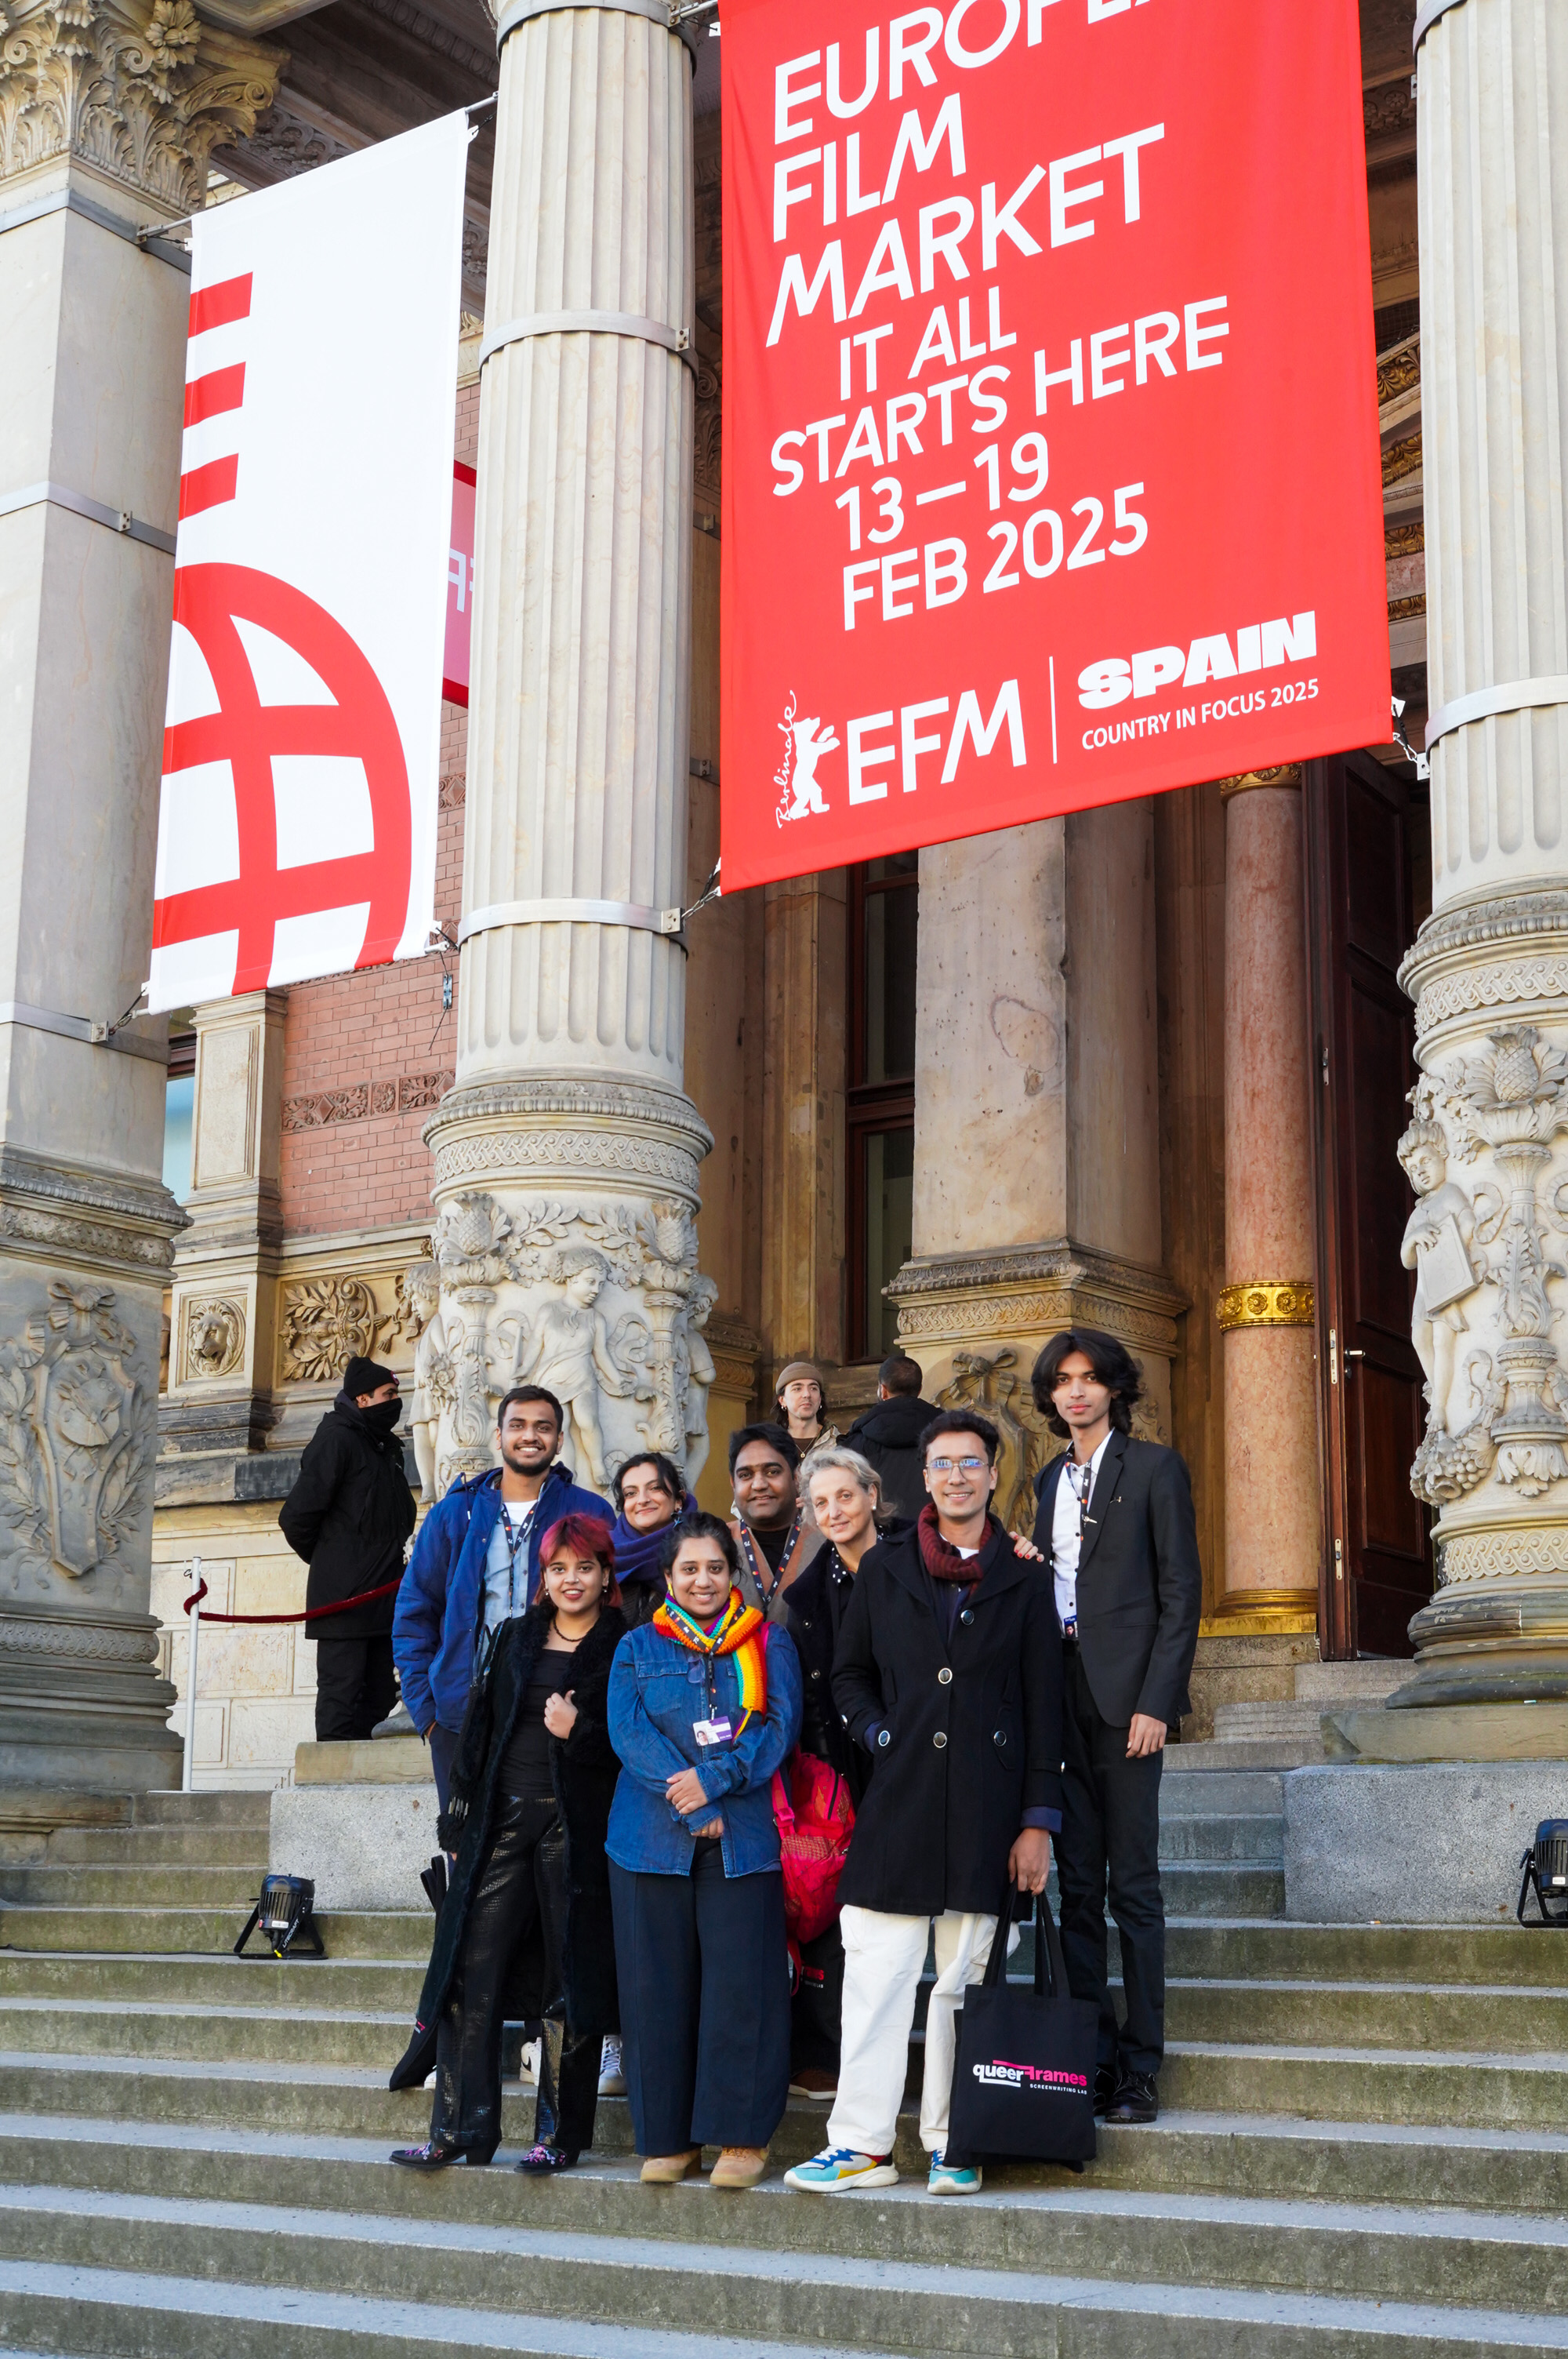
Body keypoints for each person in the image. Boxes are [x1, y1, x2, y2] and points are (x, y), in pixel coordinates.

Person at [786, 1409, 1062, 2199]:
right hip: (898, 1806)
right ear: (925, 1476)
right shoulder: (886, 1567)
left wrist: (1038, 1822)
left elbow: (1045, 1705)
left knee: (960, 1987)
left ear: (993, 1473)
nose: (956, 1476)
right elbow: (849, 1675)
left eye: (970, 1462)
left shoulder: (1024, 1576)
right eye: (942, 1463)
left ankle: (951, 2141)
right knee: (875, 1977)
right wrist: (879, 1734)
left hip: (986, 1812)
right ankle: (861, 2145)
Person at [390, 1514, 624, 2172]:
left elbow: (632, 1743)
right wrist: (461, 1816)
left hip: (573, 1826)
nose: (572, 1580)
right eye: (559, 1568)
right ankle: (460, 2129)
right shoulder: (516, 1636)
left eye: (585, 1567)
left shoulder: (623, 1644)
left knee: (564, 1983)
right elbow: (482, 1730)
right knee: (469, 1969)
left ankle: (558, 2137)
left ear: (605, 1574)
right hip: (503, 1817)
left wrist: (578, 1729)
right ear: (543, 1577)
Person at [1029, 1328, 1202, 2128]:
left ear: (1113, 1388)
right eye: (1063, 1380)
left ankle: (1139, 2066)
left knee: (1131, 1887)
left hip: (1129, 1703)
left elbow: (1180, 1592)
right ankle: (1091, 2058)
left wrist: (1157, 1702)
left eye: (1089, 1378)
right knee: (1076, 1889)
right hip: (1060, 1696)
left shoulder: (1156, 1468)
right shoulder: (1045, 1478)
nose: (1076, 1391)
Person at [607, 1510, 802, 2188]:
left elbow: (776, 1730)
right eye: (688, 1569)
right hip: (647, 1844)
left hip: (743, 1840)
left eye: (715, 1568)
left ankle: (741, 2138)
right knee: (655, 1992)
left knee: (741, 1990)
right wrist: (690, 1801)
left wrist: (713, 1783)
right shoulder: (636, 1647)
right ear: (668, 1577)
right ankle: (668, 2138)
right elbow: (629, 1734)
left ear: (733, 1573)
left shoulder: (768, 1642)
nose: (703, 1580)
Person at [394, 1386, 611, 1809]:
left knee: (554, 1838)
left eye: (543, 1427)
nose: (530, 1436)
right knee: (465, 1840)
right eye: (518, 1425)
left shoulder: (588, 1512)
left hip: (551, 1711)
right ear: (499, 1436)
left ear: (559, 1440)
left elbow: (612, 1610)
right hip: (461, 1715)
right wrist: (428, 1714)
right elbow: (414, 1613)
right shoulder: (454, 1513)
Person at [782, 1445, 884, 2099]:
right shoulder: (807, 1595)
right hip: (840, 1768)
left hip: (913, 1756)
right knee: (833, 1904)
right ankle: (830, 2049)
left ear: (872, 1494)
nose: (835, 1511)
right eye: (821, 1503)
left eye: (845, 1496)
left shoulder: (915, 1563)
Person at [280, 1354, 416, 1743]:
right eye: (388, 1394)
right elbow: (296, 1518)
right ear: (362, 1399)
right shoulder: (337, 1439)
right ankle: (329, 1776)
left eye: (396, 1394)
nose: (395, 1402)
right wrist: (337, 1563)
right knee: (341, 1700)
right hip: (344, 1602)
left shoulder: (385, 1447)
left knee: (380, 1697)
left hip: (384, 1600)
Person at [729, 1423, 824, 1615]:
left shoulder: (828, 1541)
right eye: (746, 1475)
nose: (759, 1485)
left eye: (772, 1472)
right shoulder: (715, 1542)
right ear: (733, 1483)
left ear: (796, 1477)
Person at [842, 1354, 938, 1524]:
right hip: (934, 1530)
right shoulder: (947, 1434)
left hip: (881, 1532)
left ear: (883, 1390)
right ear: (919, 1390)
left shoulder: (857, 1441)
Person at [610, 1450, 695, 1627]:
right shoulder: (604, 1552)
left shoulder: (702, 1545)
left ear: (678, 1500)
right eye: (631, 1493)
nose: (642, 1500)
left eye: (655, 1488)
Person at [773, 1360, 837, 1452]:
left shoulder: (840, 1444)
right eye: (797, 1389)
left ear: (820, 1398)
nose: (807, 1394)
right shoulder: (771, 1446)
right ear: (782, 1400)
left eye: (813, 1388)